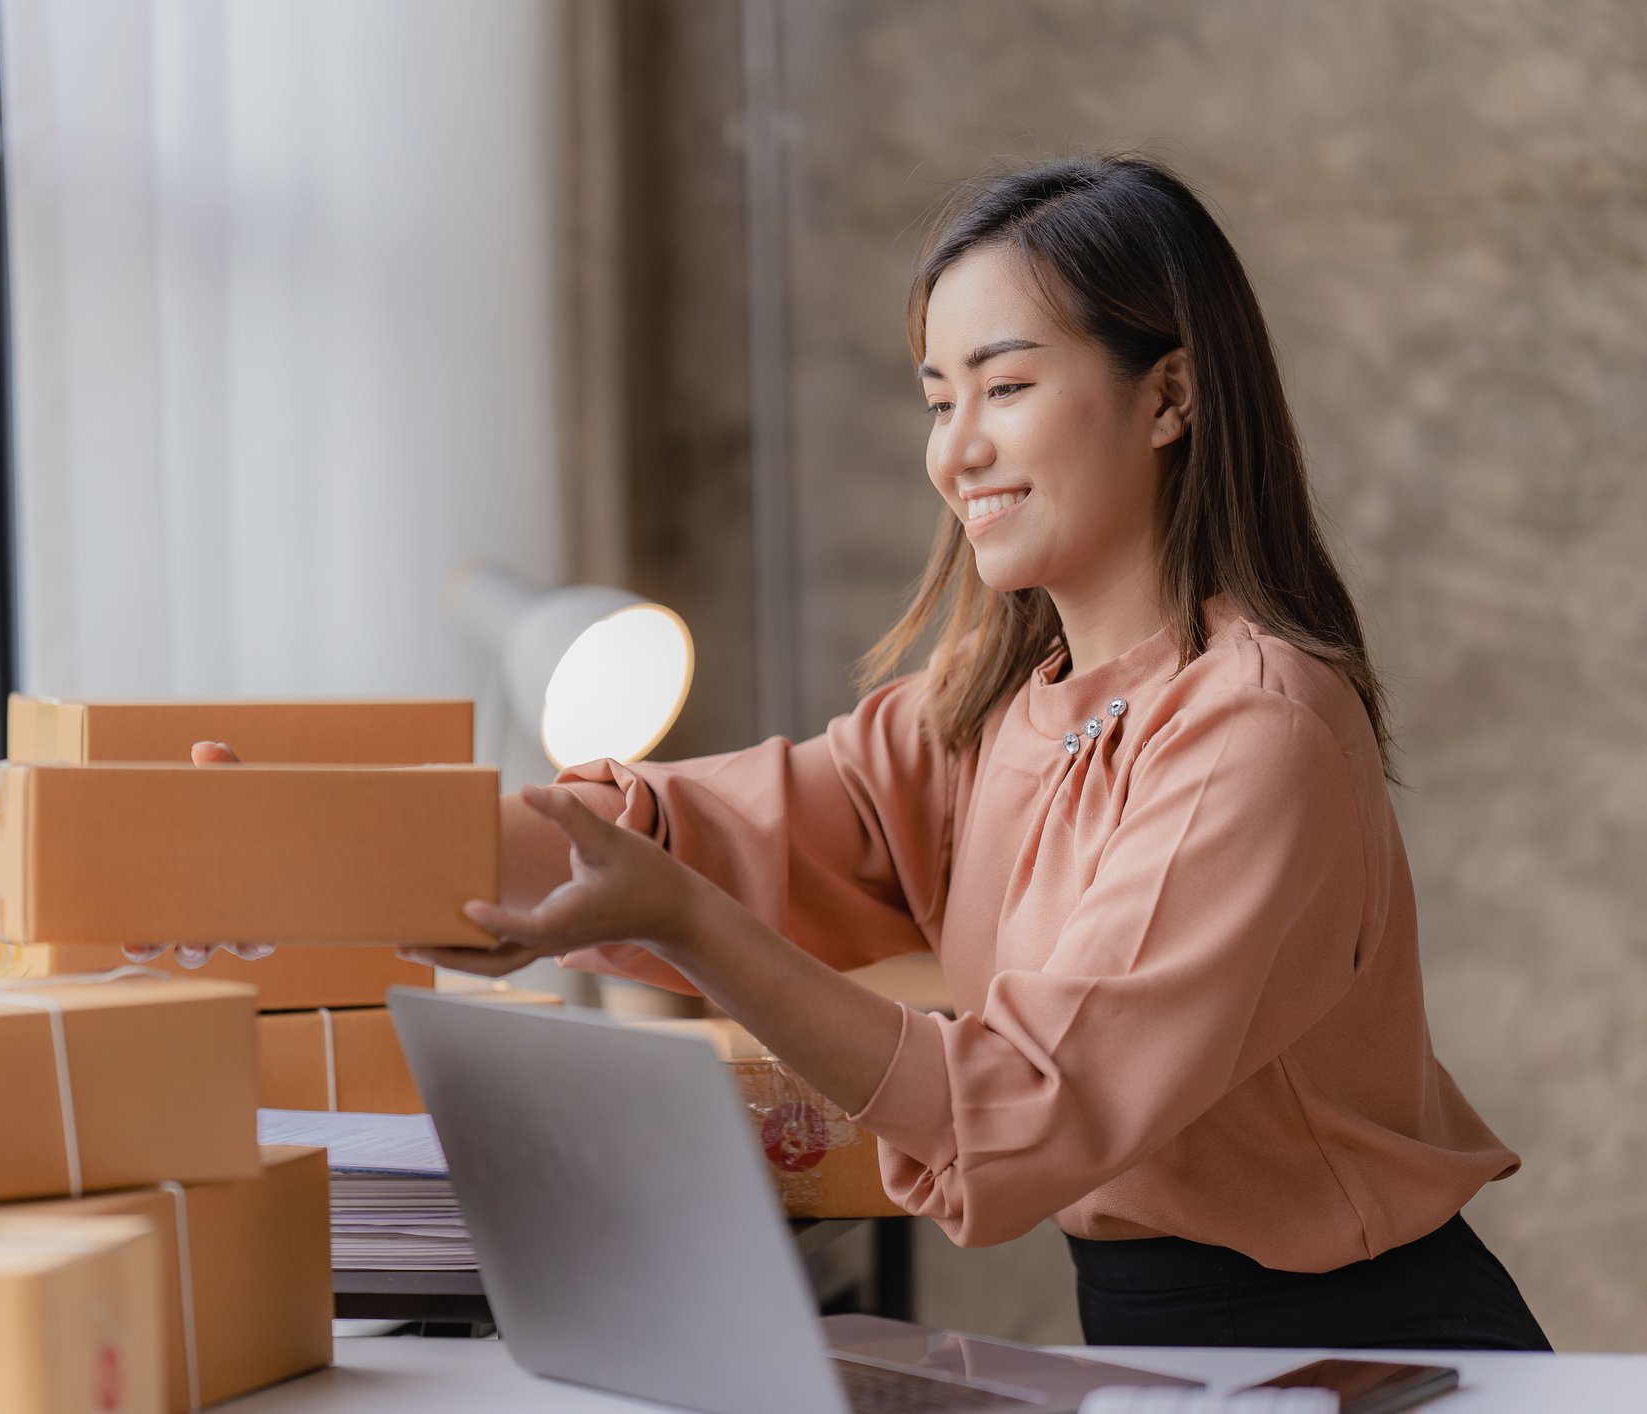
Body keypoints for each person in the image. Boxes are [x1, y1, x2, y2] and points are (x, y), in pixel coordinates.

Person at [392, 152, 1546, 1351]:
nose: (957, 452)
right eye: (941, 400)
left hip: (1379, 1355)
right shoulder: (990, 710)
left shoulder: (1257, 729)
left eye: (1005, 388)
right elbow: (707, 830)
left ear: (1170, 397)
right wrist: (307, 842)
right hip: (1181, 1348)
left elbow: (1026, 1102)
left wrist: (683, 921)